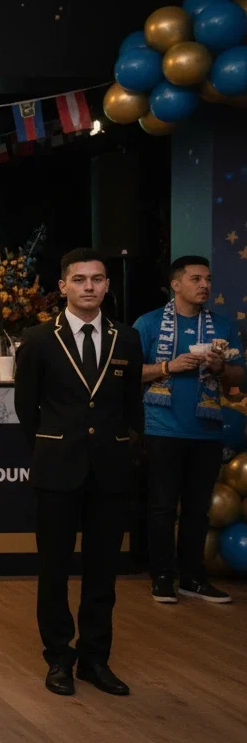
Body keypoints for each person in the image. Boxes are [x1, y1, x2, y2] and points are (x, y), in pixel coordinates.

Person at [14, 248, 143, 698]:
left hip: (110, 470)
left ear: (107, 285)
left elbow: (132, 408)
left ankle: (95, 658)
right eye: (80, 279)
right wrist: (52, 447)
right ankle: (58, 659)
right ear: (63, 285)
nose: (89, 286)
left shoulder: (126, 339)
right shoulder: (38, 338)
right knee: (53, 571)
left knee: (103, 572)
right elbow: (26, 409)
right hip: (57, 469)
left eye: (98, 279)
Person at [135, 256, 241, 605]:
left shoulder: (223, 327)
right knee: (163, 507)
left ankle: (193, 577)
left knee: (198, 510)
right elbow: (127, 374)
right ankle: (163, 576)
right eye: (196, 279)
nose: (205, 285)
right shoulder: (148, 323)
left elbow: (240, 380)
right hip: (162, 429)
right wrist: (169, 365)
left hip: (207, 431)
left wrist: (221, 368)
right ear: (176, 285)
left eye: (208, 279)